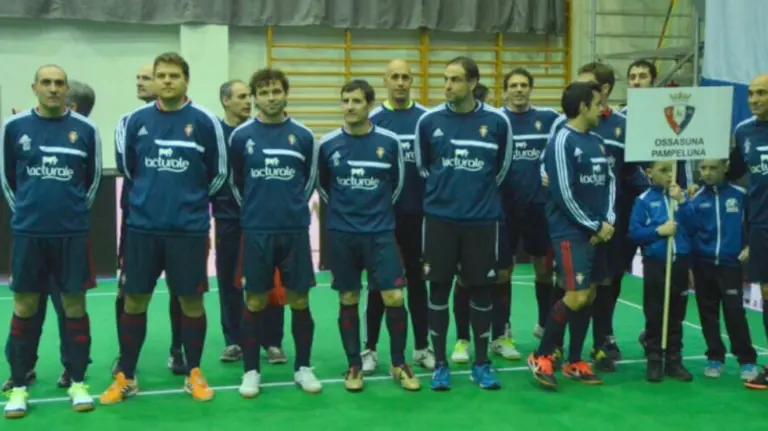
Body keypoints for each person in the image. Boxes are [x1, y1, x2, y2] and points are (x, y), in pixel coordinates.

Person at [100, 52, 227, 404]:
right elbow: (130, 169)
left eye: (174, 75)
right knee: (135, 300)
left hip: (188, 230)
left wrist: (191, 202)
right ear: (154, 81)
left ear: (186, 80)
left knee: (191, 300)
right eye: (162, 76)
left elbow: (219, 173)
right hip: (143, 229)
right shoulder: (134, 121)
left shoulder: (206, 121)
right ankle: (126, 375)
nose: (167, 81)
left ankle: (194, 372)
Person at [2, 64, 102, 418]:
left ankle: (78, 383)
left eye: (59, 83)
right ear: (35, 88)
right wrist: (26, 215)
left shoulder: (86, 129)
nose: (53, 88)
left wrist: (72, 217)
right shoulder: (13, 127)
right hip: (29, 233)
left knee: (74, 306)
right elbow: (8, 178)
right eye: (46, 82)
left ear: (66, 89)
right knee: (24, 307)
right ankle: (18, 387)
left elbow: (92, 181)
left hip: (71, 235)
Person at [414, 56, 513, 390]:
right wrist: (447, 194)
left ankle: (481, 364)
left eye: (455, 79)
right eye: (445, 78)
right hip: (439, 221)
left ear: (472, 82)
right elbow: (424, 168)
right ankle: (440, 364)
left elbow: (501, 169)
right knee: (438, 289)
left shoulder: (497, 122)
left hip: (481, 222)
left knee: (481, 290)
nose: (447, 85)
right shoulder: (428, 122)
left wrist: (475, 196)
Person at [317, 79, 419, 392]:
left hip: (380, 232)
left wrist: (376, 212)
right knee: (348, 297)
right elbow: (323, 186)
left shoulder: (389, 142)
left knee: (394, 296)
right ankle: (354, 365)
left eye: (357, 101)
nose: (350, 107)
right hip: (342, 234)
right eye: (345, 100)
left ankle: (399, 362)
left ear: (369, 105)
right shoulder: (328, 144)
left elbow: (397, 184)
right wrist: (346, 213)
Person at [228, 68, 321, 396]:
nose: (271, 98)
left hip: (294, 230)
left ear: (285, 94)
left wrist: (292, 208)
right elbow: (236, 182)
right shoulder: (241, 137)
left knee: (299, 299)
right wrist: (255, 211)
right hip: (257, 231)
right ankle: (251, 371)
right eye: (264, 92)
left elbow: (310, 180)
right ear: (255, 97)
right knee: (254, 300)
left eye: (276, 91)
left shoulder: (304, 136)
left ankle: (303, 368)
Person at [527, 81, 615, 389]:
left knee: (589, 295)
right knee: (575, 295)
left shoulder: (597, 141)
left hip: (597, 231)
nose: (602, 109)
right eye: (597, 104)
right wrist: (594, 226)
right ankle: (542, 355)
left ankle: (575, 361)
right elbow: (562, 194)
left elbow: (610, 182)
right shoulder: (561, 141)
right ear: (582, 107)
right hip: (571, 233)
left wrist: (608, 221)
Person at [111, 64, 188, 377]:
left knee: (181, 289)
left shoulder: (191, 121)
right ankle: (125, 356)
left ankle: (178, 350)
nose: (141, 83)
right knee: (128, 290)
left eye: (147, 78)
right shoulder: (127, 121)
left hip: (179, 223)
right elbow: (127, 167)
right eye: (139, 78)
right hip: (137, 220)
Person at [362, 59, 434, 374]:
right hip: (382, 220)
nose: (401, 82)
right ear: (385, 81)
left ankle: (421, 347)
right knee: (379, 285)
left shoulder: (426, 119)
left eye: (406, 76)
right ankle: (369, 348)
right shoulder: (373, 120)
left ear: (412, 80)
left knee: (418, 283)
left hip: (418, 217)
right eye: (395, 77)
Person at [500, 67, 559, 346]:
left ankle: (544, 323)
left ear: (531, 89)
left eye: (524, 85)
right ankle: (503, 325)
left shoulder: (549, 119)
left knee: (543, 269)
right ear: (505, 91)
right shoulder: (496, 120)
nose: (519, 89)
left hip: (540, 207)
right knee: (504, 271)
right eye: (514, 85)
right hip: (505, 207)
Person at [628, 161, 695, 382]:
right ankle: (654, 358)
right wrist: (658, 231)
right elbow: (634, 233)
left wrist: (682, 202)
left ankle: (674, 359)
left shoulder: (682, 197)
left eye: (671, 170)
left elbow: (694, 226)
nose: (668, 175)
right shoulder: (644, 200)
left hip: (680, 263)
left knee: (677, 313)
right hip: (656, 263)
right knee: (655, 311)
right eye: (663, 170)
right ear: (649, 172)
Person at [691, 159, 758, 380]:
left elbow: (754, 223)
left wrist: (750, 245)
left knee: (734, 313)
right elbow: (690, 231)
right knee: (707, 314)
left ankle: (747, 360)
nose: (707, 173)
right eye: (703, 168)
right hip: (703, 265)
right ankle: (714, 357)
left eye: (713, 168)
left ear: (725, 167)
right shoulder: (695, 198)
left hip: (731, 265)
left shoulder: (741, 195)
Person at [725, 73, 768, 389]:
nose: (754, 99)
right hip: (761, 226)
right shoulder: (743, 131)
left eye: (762, 93)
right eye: (751, 93)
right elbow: (734, 171)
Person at [214, 79, 251, 363]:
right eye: (241, 96)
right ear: (226, 100)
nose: (248, 101)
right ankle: (234, 340)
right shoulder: (214, 132)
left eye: (249, 96)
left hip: (259, 218)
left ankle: (270, 340)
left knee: (265, 281)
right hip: (226, 217)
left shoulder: (257, 131)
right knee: (228, 280)